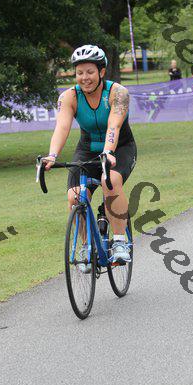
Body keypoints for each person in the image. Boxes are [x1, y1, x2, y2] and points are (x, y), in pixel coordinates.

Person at [43, 44, 137, 265]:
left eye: (90, 72)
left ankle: (120, 241)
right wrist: (52, 155)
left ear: (101, 72)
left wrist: (108, 151)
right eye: (79, 72)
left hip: (120, 147)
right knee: (75, 196)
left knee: (110, 181)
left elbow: (114, 125)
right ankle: (86, 247)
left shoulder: (118, 93)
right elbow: (62, 127)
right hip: (87, 149)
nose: (84, 78)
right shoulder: (69, 97)